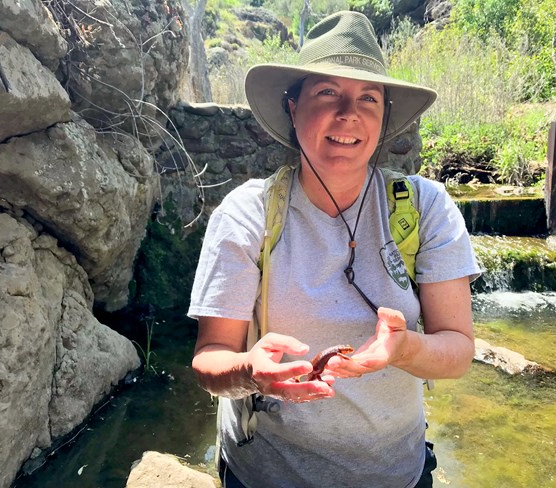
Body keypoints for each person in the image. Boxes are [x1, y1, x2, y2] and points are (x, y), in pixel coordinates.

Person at [189, 10, 481, 488]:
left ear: (384, 116)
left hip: (396, 474)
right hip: (264, 475)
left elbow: (458, 349)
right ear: (292, 106)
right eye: (327, 92)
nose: (349, 113)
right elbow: (211, 357)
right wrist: (250, 369)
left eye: (368, 97)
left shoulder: (425, 208)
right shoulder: (247, 215)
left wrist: (403, 348)